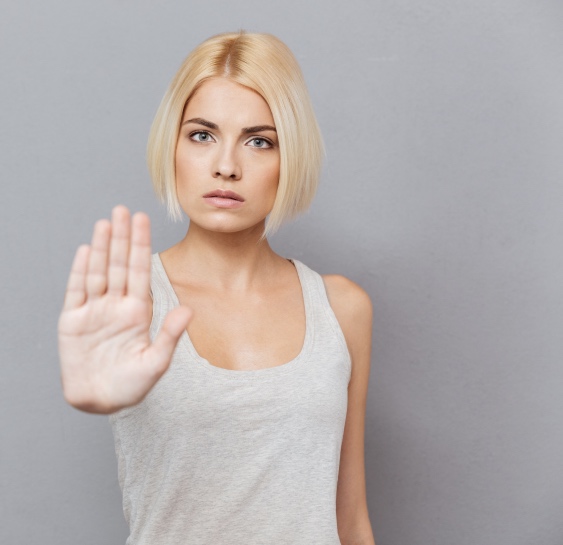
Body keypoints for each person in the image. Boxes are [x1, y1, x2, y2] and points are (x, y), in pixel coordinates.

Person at [58, 31, 375, 545]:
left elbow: (351, 520)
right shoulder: (131, 300)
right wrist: (97, 400)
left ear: (289, 156)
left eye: (259, 141)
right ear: (173, 145)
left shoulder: (342, 308)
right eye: (202, 135)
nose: (226, 165)